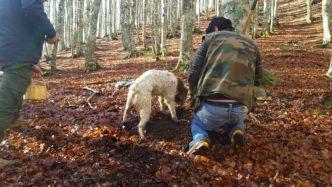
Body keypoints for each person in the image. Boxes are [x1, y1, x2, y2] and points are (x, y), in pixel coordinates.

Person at [186, 17, 263, 155]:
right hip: (240, 107)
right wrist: (250, 102)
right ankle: (237, 130)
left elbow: (192, 72)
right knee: (237, 122)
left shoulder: (210, 39)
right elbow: (258, 79)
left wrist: (194, 98)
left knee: (198, 124)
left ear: (215, 29)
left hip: (212, 107)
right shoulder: (251, 43)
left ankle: (200, 139)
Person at [0, 0, 59, 144]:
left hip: (13, 51)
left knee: (15, 91)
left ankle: (12, 119)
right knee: (7, 101)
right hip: (17, 53)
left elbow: (17, 22)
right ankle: (7, 119)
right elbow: (31, 8)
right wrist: (51, 33)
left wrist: (30, 61)